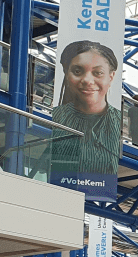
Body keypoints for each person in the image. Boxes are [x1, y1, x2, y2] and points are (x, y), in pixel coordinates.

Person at [51, 40, 122, 186]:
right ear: (66, 73)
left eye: (98, 73)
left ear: (111, 76)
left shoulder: (119, 123)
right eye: (77, 71)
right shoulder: (54, 118)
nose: (87, 80)